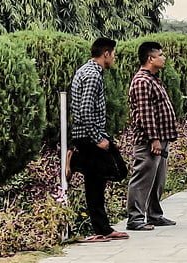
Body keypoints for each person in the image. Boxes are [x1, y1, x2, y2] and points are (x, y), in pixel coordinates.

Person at [69, 37, 129, 243]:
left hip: (89, 135)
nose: (114, 58)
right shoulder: (93, 75)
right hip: (89, 137)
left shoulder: (87, 70)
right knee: (108, 175)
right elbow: (85, 111)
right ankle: (76, 161)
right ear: (106, 54)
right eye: (113, 54)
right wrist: (97, 139)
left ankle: (103, 228)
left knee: (99, 180)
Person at [126, 41, 178, 231]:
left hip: (161, 138)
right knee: (143, 178)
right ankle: (135, 218)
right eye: (160, 55)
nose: (163, 58)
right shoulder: (142, 81)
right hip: (149, 141)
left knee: (158, 179)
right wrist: (154, 139)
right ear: (150, 58)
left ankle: (154, 215)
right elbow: (145, 113)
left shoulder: (153, 79)